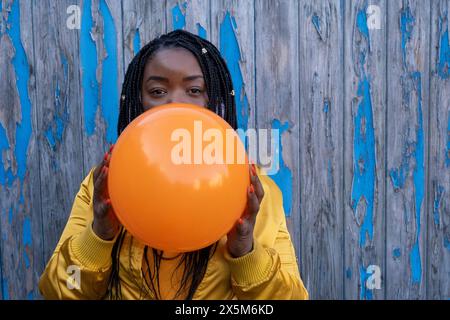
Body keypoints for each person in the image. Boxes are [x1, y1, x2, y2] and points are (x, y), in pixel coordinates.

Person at [38, 29, 308, 300]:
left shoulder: (252, 190)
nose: (175, 103)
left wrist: (245, 250)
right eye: (157, 90)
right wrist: (100, 235)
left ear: (214, 101)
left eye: (194, 90)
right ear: (139, 101)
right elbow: (59, 292)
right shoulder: (107, 184)